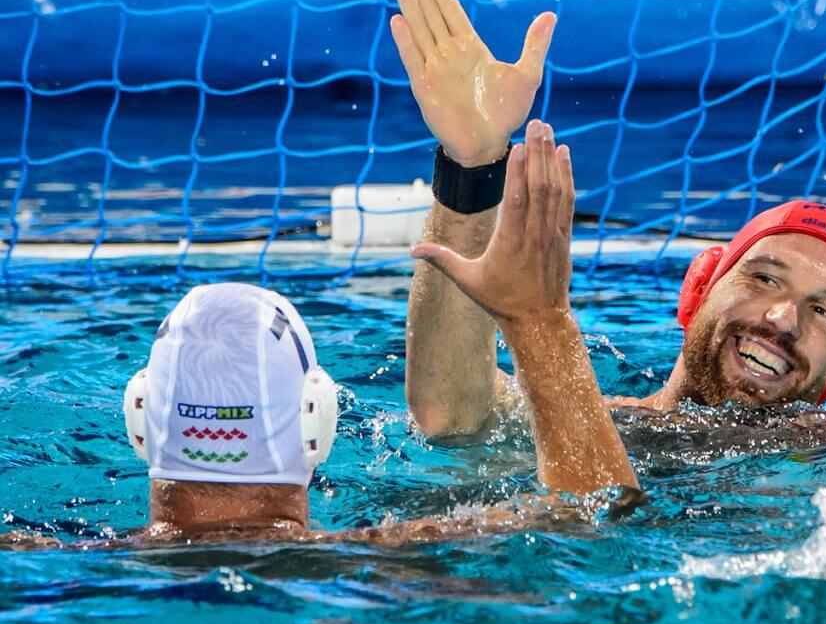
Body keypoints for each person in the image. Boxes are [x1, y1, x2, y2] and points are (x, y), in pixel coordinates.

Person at [2, 134, 638, 550]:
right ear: (319, 421)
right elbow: (597, 516)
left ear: (138, 417)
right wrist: (540, 320)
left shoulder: (49, 559)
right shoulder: (384, 559)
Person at [390, 0, 826, 440]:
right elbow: (451, 418)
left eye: (825, 312)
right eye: (764, 279)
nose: (784, 319)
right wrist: (472, 167)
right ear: (698, 289)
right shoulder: (607, 425)